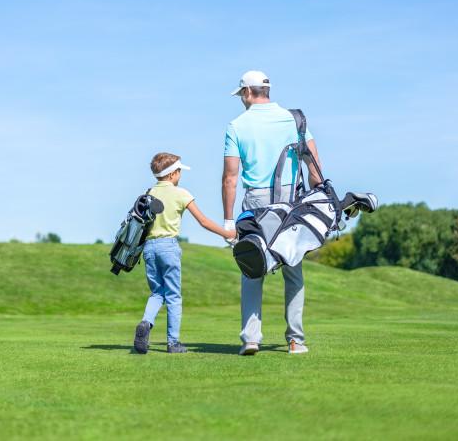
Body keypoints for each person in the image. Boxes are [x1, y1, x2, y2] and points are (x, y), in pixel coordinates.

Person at [222, 70, 323, 356]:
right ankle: (295, 340)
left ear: (246, 93)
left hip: (256, 202)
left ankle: (251, 339)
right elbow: (314, 165)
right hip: (290, 200)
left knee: (252, 267)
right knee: (293, 268)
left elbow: (230, 177)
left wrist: (229, 220)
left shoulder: (237, 125)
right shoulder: (293, 119)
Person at [133, 152, 236, 354]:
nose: (180, 175)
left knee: (157, 292)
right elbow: (204, 221)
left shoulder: (149, 193)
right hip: (169, 247)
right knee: (173, 295)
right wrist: (227, 233)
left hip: (149, 248)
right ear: (172, 174)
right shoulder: (181, 194)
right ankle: (173, 343)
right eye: (179, 171)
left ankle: (146, 322)